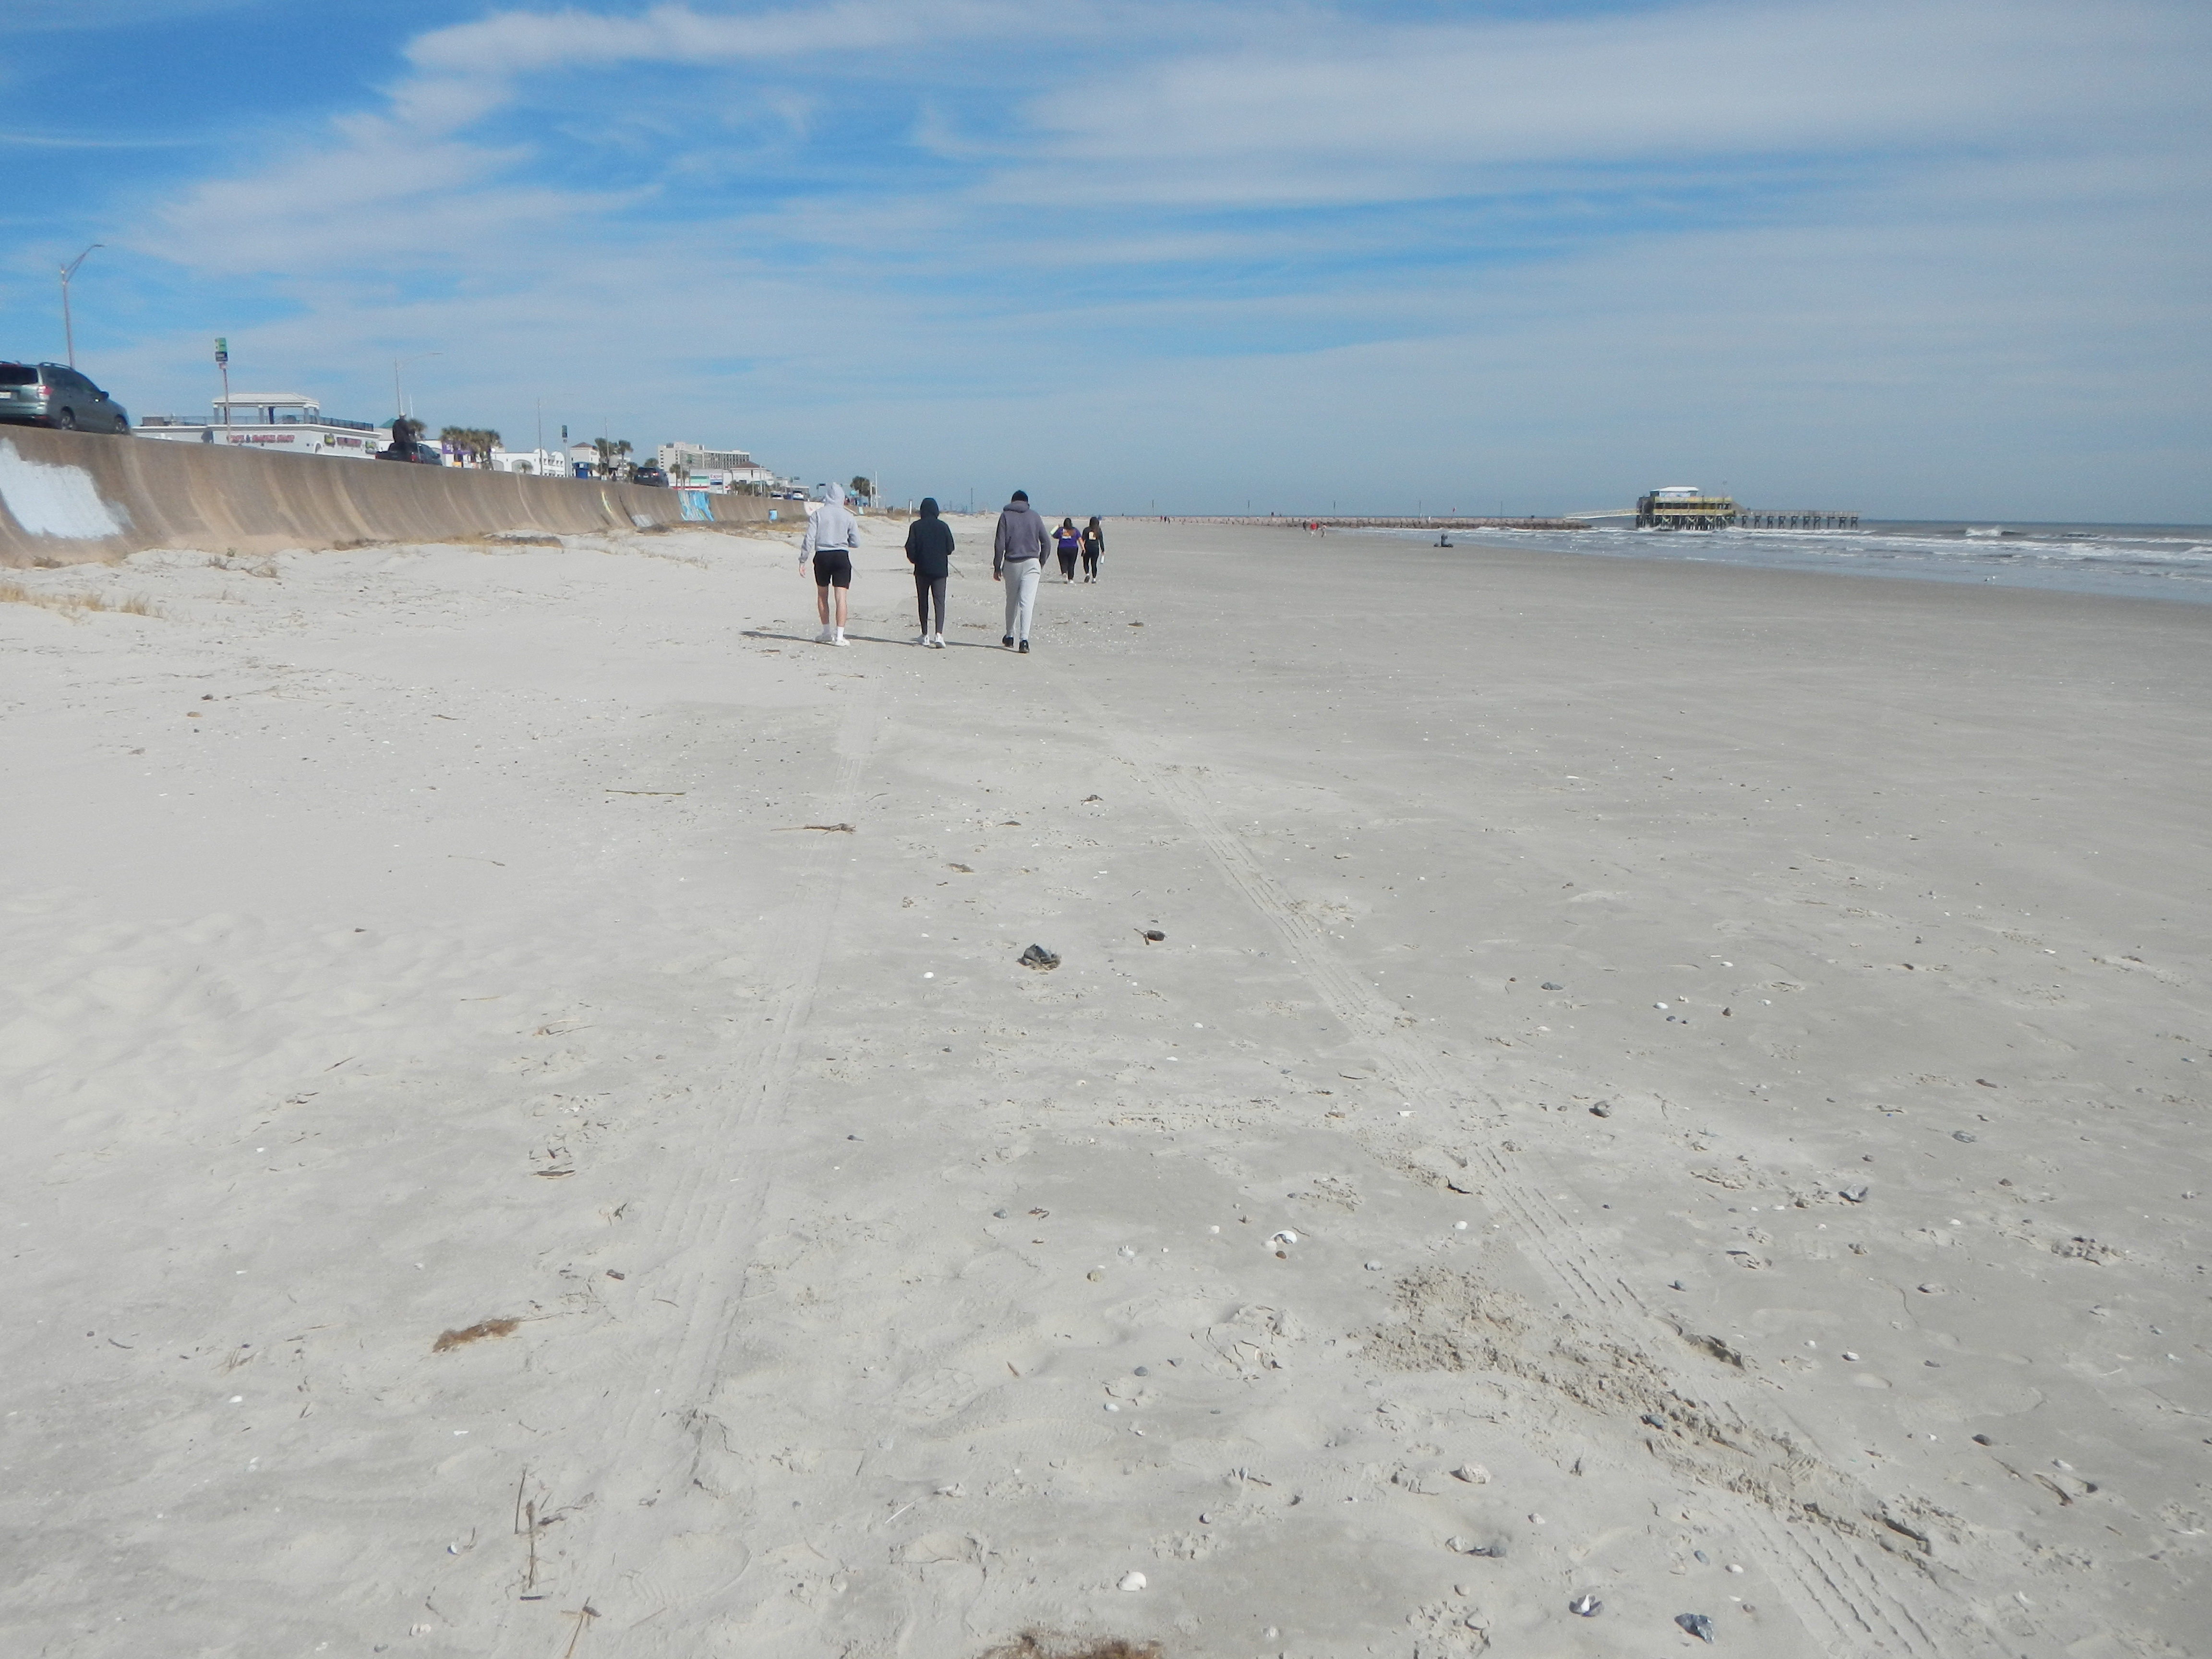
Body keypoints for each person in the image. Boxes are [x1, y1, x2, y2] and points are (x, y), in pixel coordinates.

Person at [800, 481, 860, 645]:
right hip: (841, 556)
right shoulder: (848, 516)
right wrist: (843, 541)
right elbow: (856, 542)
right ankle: (840, 637)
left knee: (822, 595)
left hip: (822, 556)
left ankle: (826, 632)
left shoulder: (818, 515)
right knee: (841, 598)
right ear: (842, 498)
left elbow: (809, 539)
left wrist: (802, 560)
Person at [992, 489, 1049, 652]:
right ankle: (1024, 640)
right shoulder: (1035, 516)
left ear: (1012, 502)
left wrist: (997, 566)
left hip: (1012, 563)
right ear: (1027, 502)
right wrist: (1041, 562)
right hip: (1032, 563)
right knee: (1027, 603)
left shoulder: (1005, 516)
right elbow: (1047, 543)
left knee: (1012, 600)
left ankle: (1010, 635)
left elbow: (1000, 544)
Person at [904, 497, 953, 647]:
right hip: (940, 571)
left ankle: (925, 634)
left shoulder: (916, 527)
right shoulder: (943, 526)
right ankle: (939, 635)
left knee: (923, 601)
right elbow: (950, 547)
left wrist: (915, 560)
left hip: (922, 570)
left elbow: (909, 547)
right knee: (939, 602)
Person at [1054, 517, 1081, 581]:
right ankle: (1071, 579)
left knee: (1063, 562)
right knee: (1071, 564)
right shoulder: (1075, 530)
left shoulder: (1061, 530)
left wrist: (1057, 527)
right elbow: (1080, 539)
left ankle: (1064, 572)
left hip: (1062, 548)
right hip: (1073, 548)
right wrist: (1083, 548)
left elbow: (1053, 535)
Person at [1080, 516, 1104, 581]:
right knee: (1094, 564)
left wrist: (1083, 548)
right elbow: (1101, 541)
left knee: (1086, 563)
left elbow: (1082, 539)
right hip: (1095, 549)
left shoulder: (1086, 530)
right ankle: (1094, 579)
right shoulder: (1099, 531)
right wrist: (1103, 550)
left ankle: (1087, 574)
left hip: (1087, 548)